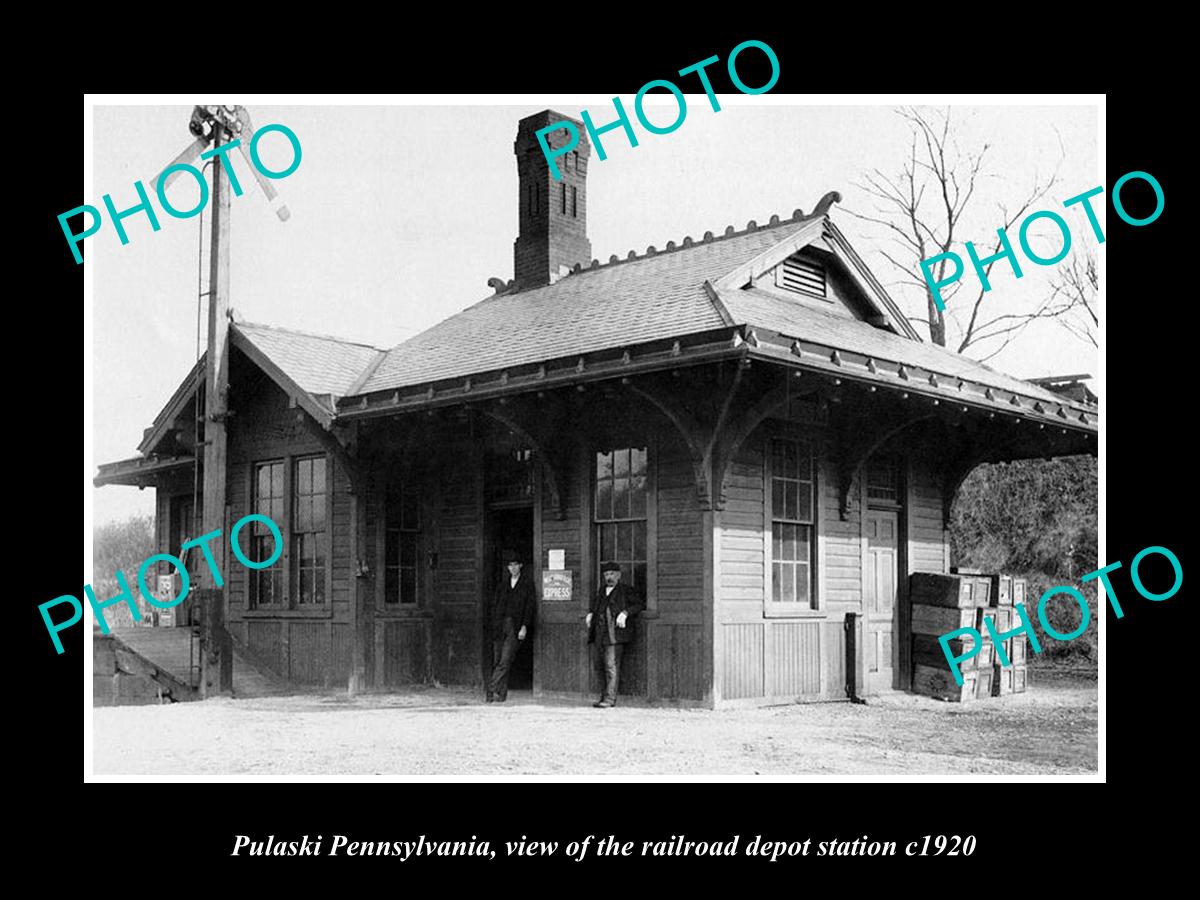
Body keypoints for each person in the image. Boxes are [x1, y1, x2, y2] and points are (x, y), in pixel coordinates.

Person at [586, 561, 643, 708]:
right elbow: (596, 607)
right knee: (598, 665)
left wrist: (625, 613)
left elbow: (639, 605)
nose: (609, 577)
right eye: (606, 574)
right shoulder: (601, 591)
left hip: (614, 635)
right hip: (599, 634)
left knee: (611, 666)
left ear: (618, 575)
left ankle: (610, 699)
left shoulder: (626, 590)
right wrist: (591, 613)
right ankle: (603, 696)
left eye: (612, 574)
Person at [487, 550, 535, 703]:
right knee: (498, 660)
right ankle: (501, 695)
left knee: (505, 661)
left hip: (515, 627)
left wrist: (524, 626)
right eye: (510, 566)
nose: (513, 568)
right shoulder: (503, 585)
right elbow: (495, 606)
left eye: (515, 565)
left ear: (520, 566)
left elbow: (529, 607)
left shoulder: (527, 584)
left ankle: (491, 688)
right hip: (500, 626)